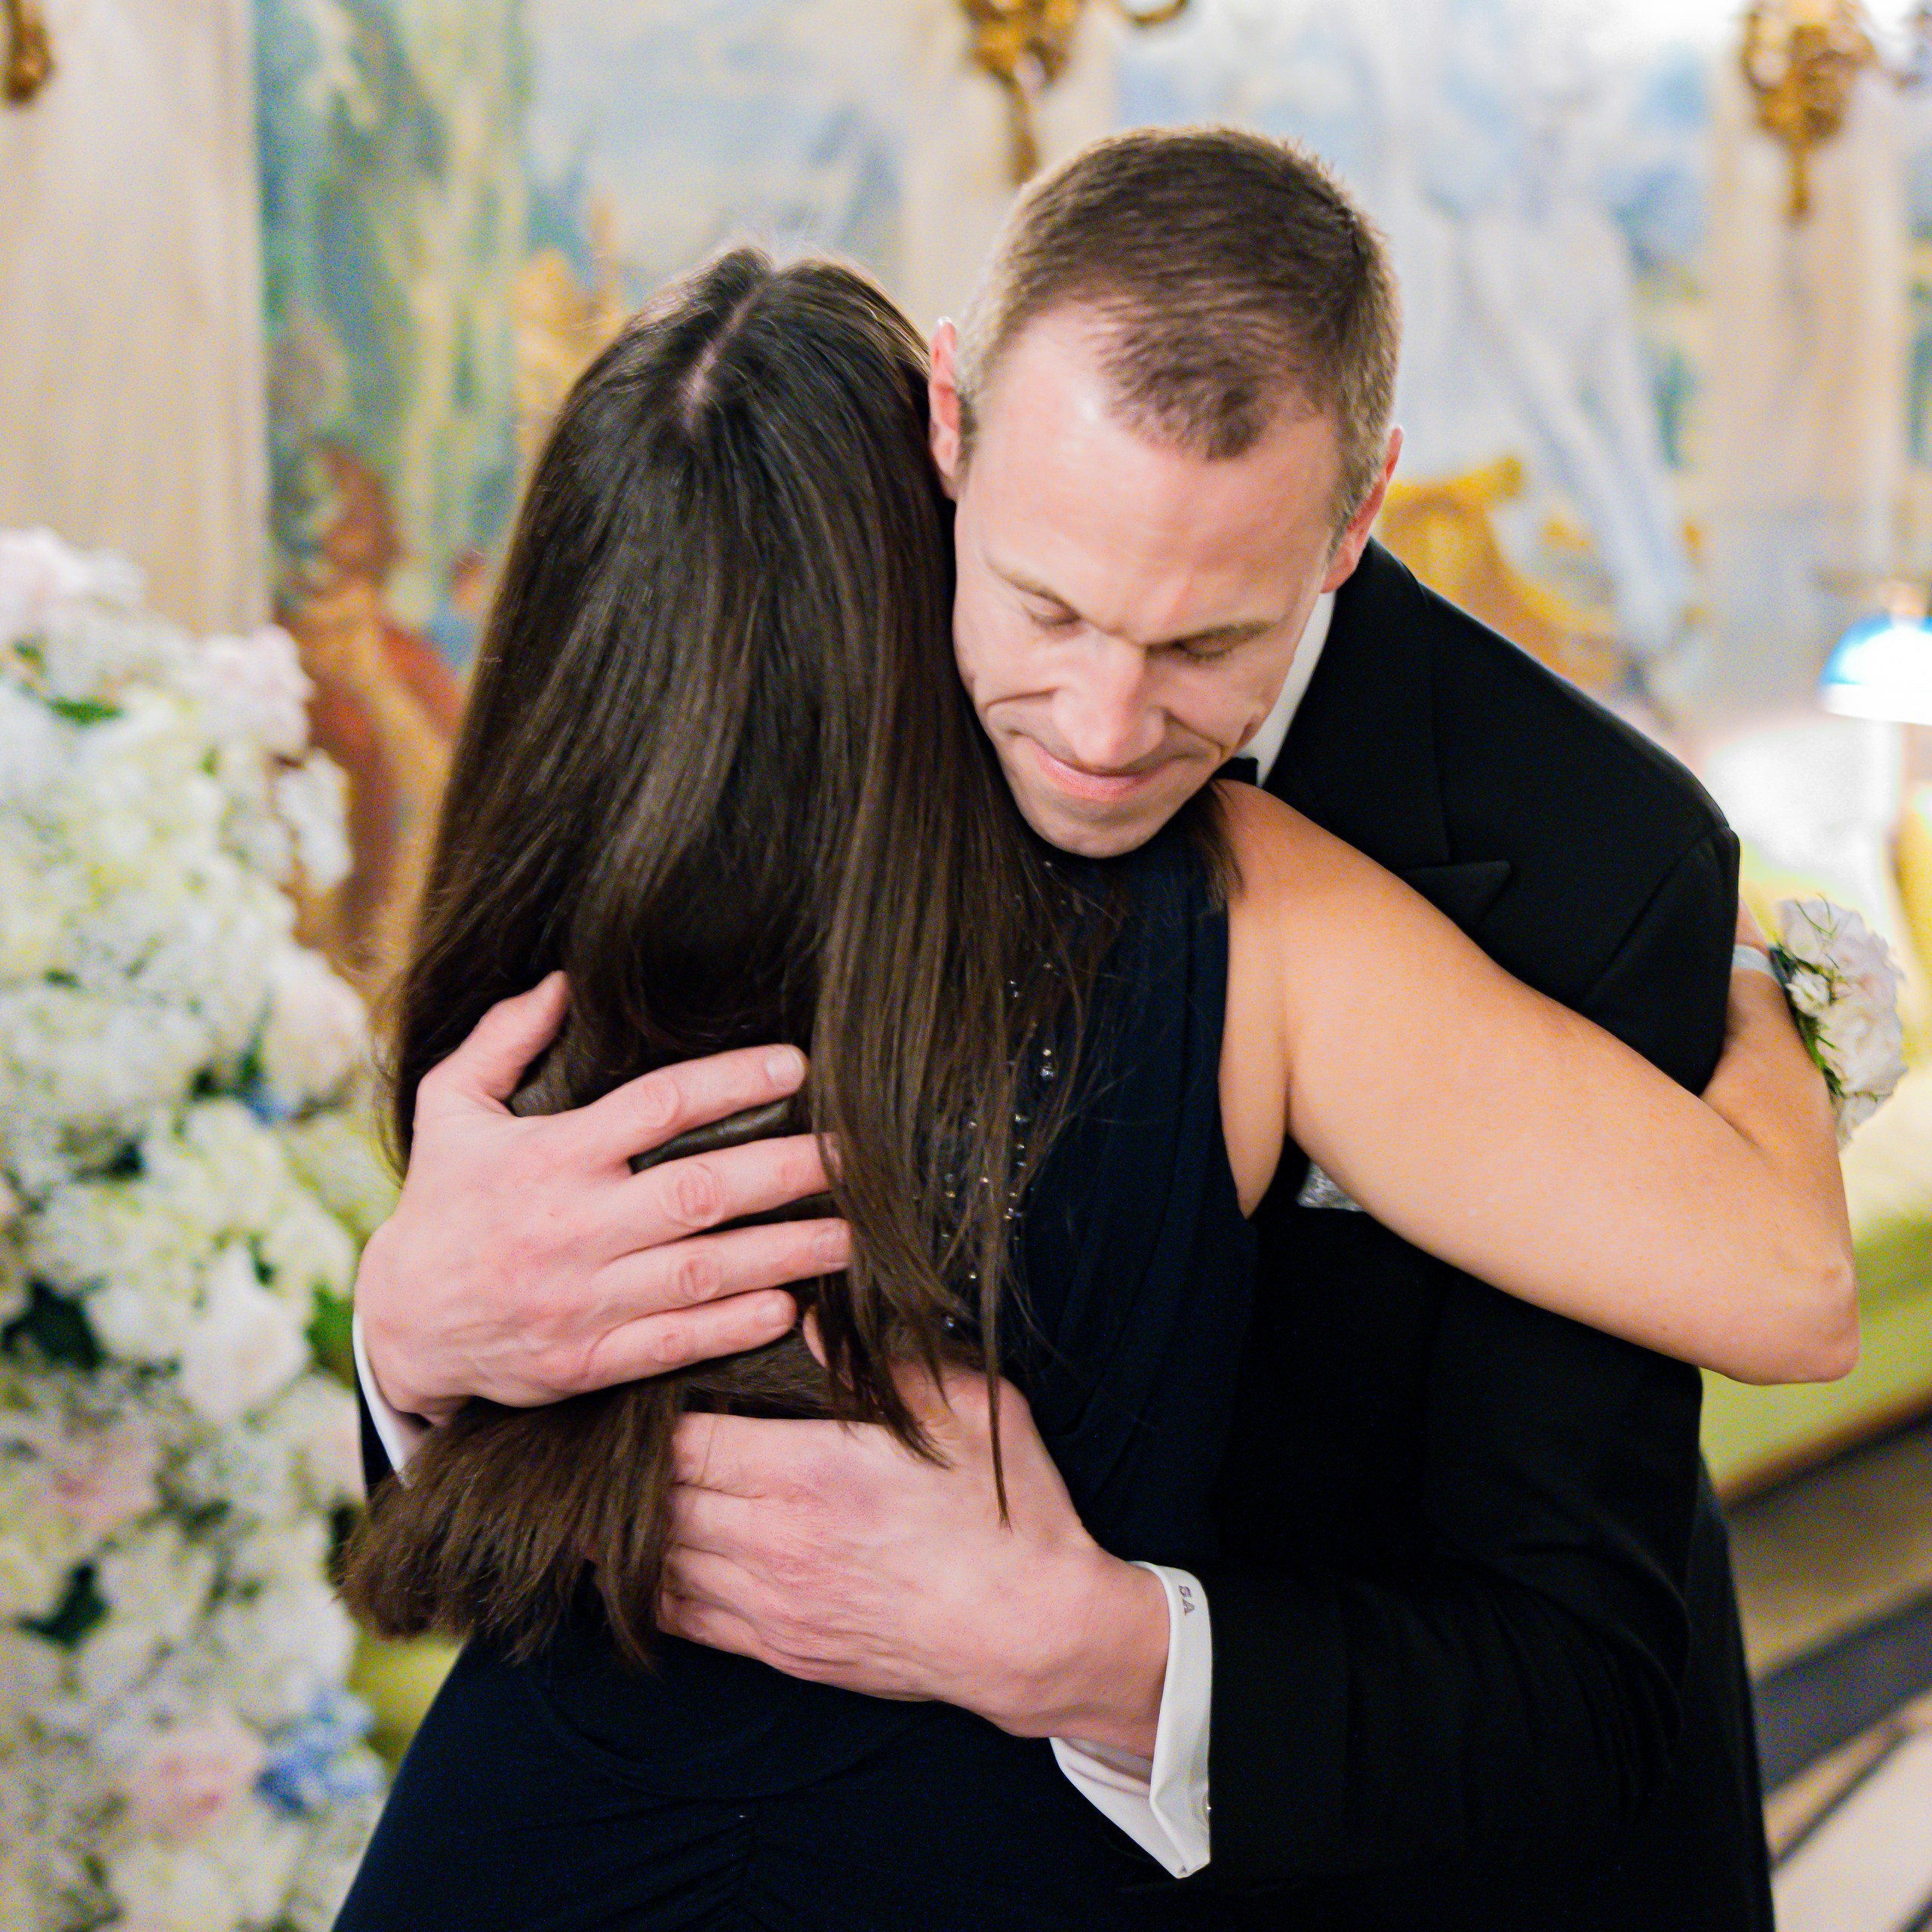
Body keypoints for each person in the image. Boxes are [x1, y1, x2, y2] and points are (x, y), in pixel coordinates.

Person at [350, 133, 1857, 1928]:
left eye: (1200, 642)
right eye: (1043, 608)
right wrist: (407, 1335)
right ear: (947, 441)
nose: (1097, 720)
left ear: (1353, 513)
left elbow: (1631, 1561)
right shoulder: (746, 831)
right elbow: (516, 1491)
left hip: (1348, 1826)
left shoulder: (1561, 857)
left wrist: (1093, 1650)